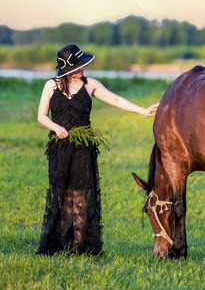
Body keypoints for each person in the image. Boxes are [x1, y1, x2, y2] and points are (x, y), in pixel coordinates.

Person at [36, 44, 158, 256]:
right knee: (62, 194)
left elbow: (115, 99)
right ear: (66, 68)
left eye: (83, 63)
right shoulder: (51, 86)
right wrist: (56, 128)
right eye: (78, 65)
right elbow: (41, 116)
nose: (82, 67)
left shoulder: (90, 84)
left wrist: (142, 110)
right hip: (60, 148)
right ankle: (62, 244)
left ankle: (80, 246)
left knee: (82, 195)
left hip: (84, 148)